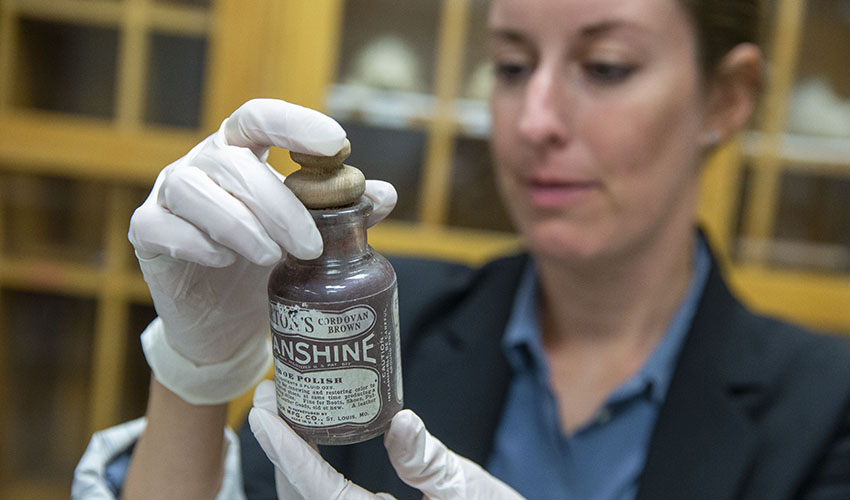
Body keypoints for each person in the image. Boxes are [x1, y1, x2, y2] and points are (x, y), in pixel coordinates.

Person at [73, 0, 850, 498]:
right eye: (510, 66)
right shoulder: (379, 322)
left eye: (605, 67)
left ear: (725, 97)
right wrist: (196, 374)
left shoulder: (825, 409)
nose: (534, 118)